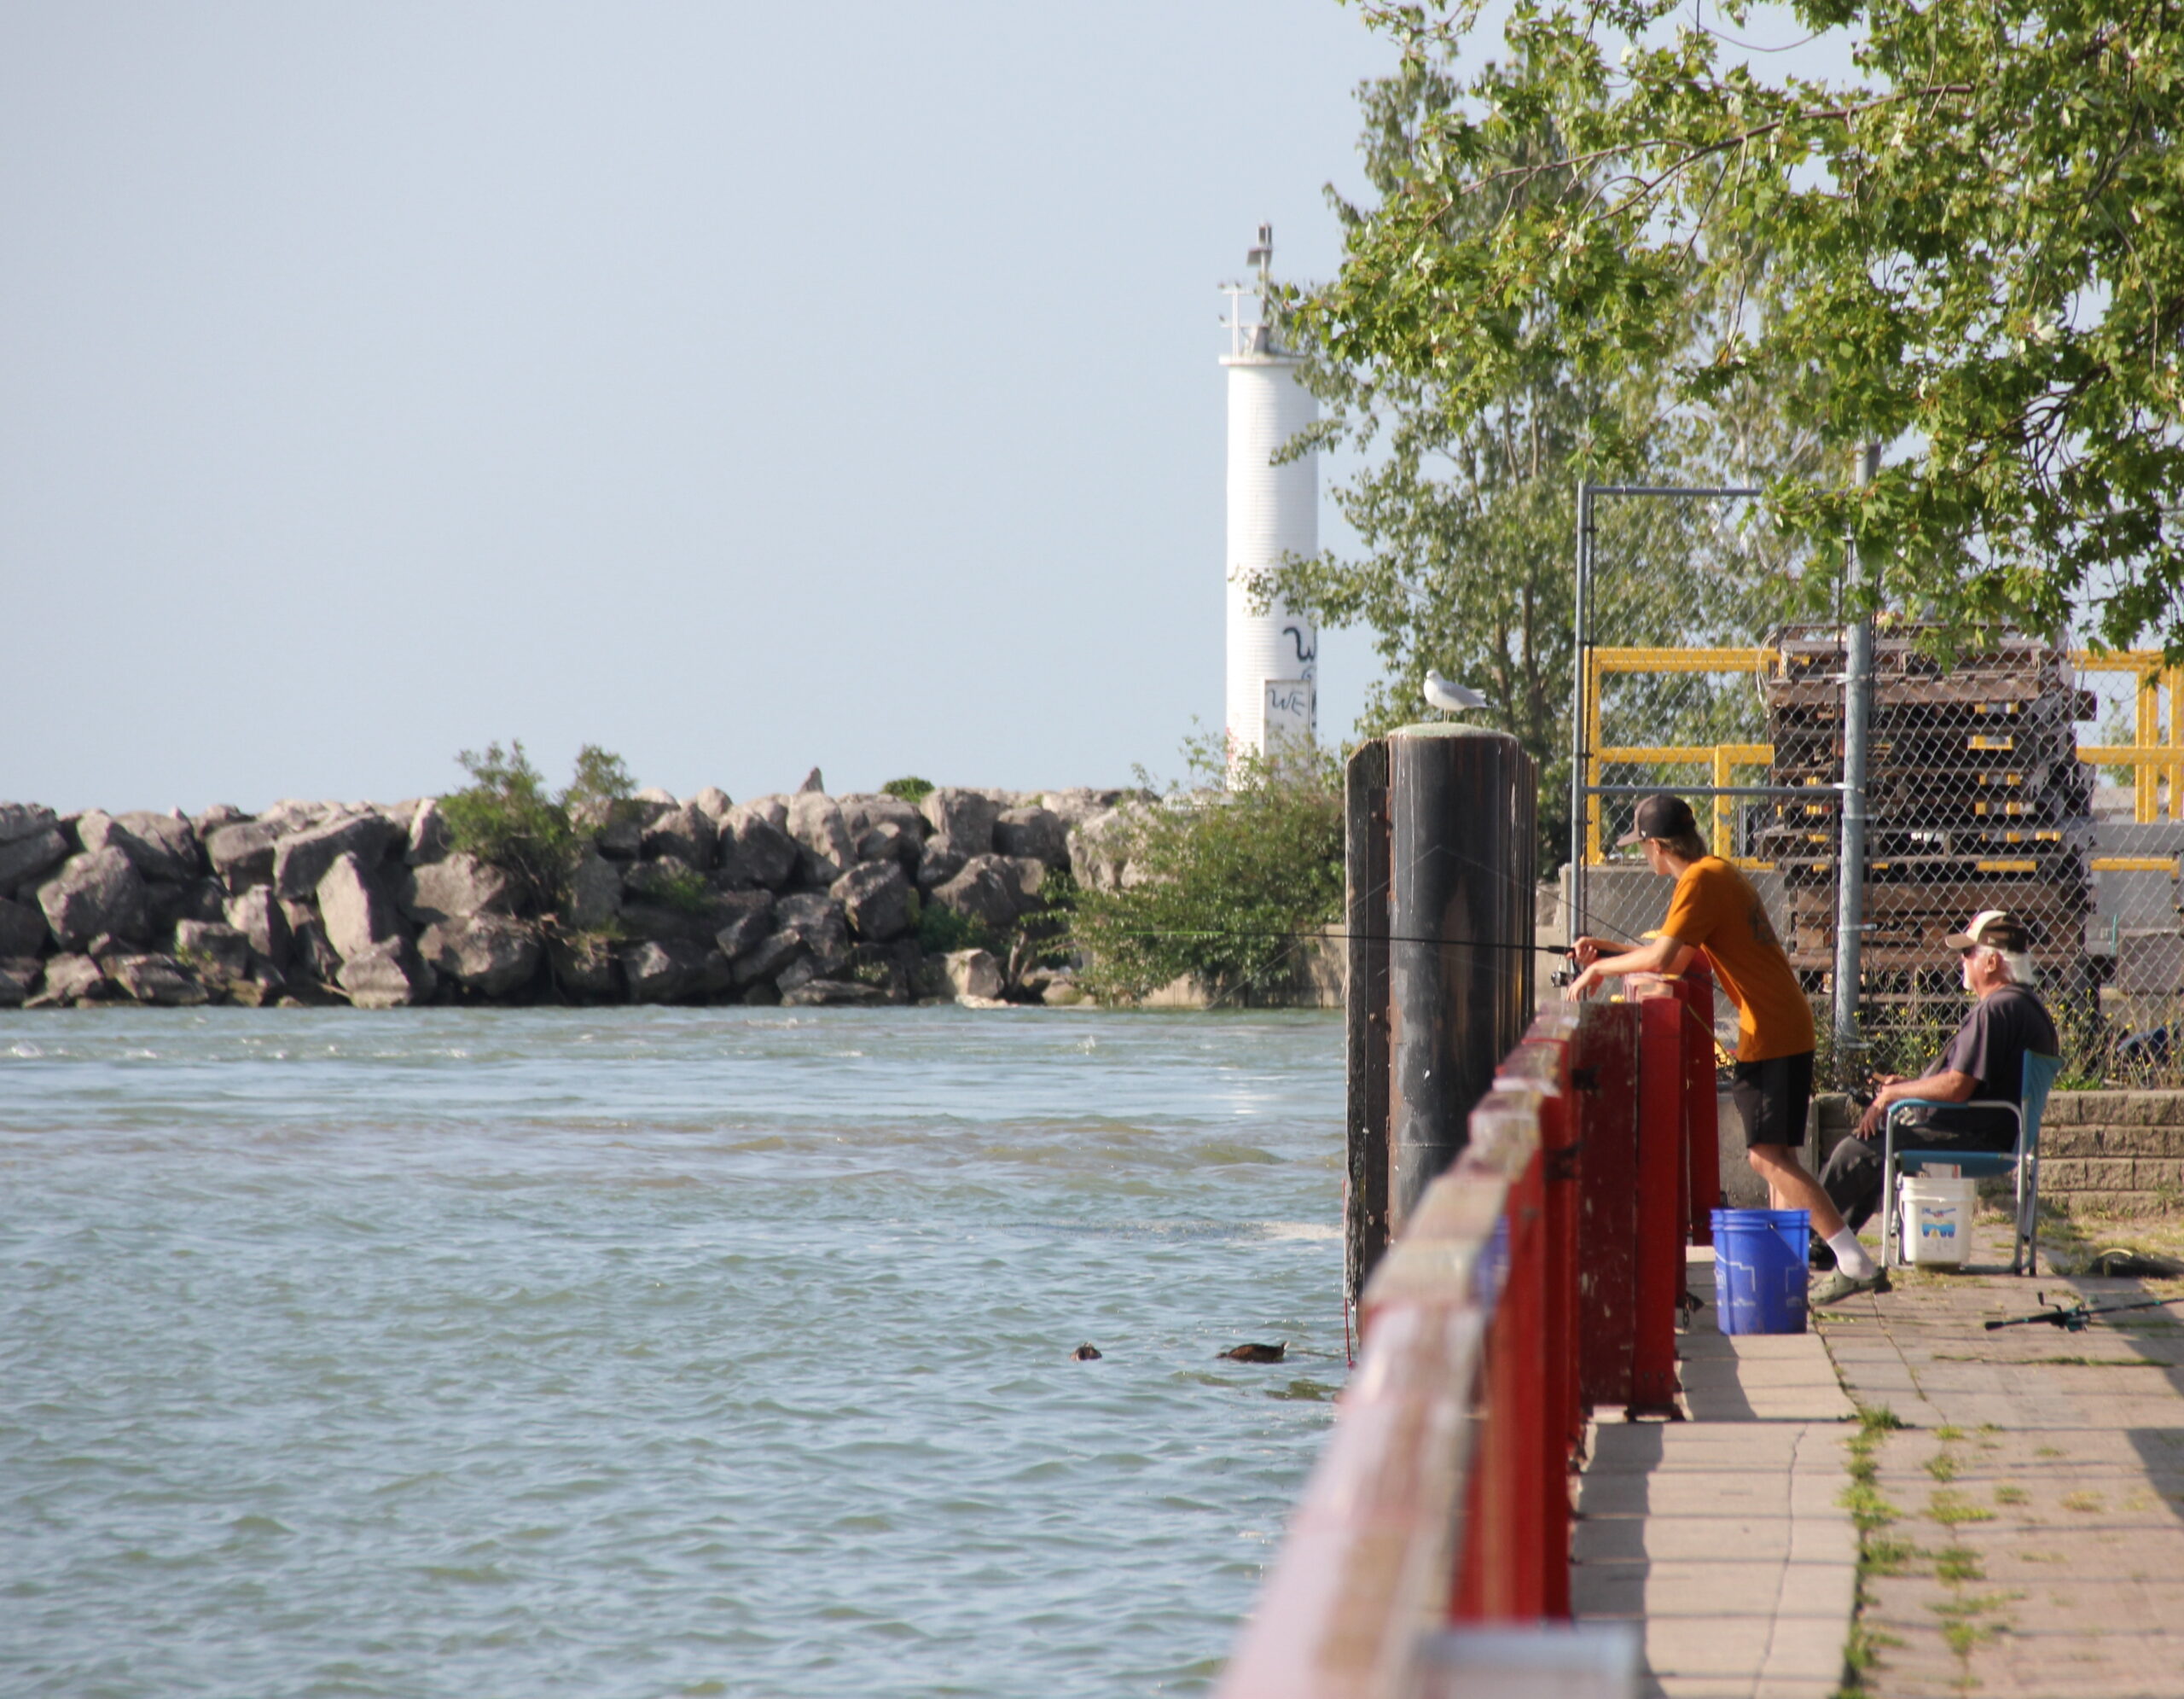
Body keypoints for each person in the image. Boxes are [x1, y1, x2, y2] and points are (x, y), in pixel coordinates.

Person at [1564, 793, 1887, 1304]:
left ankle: (1854, 1260)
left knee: (1766, 1157)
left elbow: (1668, 961)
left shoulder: (1697, 881)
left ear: (1654, 845)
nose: (1642, 857)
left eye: (1641, 847)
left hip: (1772, 1030)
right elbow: (1679, 953)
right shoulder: (1715, 873)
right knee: (1775, 1155)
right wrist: (1604, 950)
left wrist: (1600, 969)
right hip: (1783, 1023)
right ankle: (1824, 1263)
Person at [1819, 909, 2059, 1247]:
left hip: (1976, 1137)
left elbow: (1958, 1086)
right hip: (1994, 1132)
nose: (1962, 960)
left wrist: (1893, 1094)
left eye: (1968, 952)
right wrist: (1907, 1086)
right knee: (1878, 1145)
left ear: (1991, 963)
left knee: (1855, 1152)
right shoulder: (2024, 1006)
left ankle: (1806, 1238)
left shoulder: (1997, 1009)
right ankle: (1830, 1246)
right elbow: (1968, 1081)